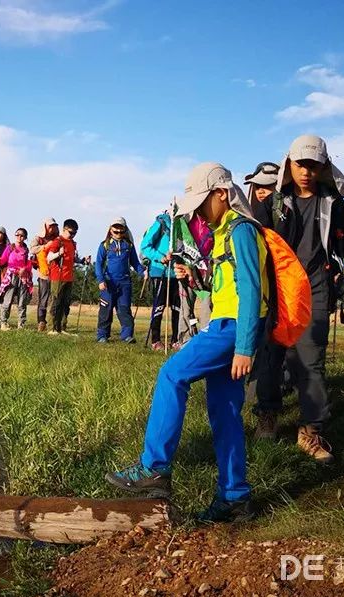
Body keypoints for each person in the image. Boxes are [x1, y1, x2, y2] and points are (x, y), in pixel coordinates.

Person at [105, 163, 268, 523]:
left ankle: (154, 467)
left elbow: (253, 289)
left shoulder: (241, 229)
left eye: (200, 203)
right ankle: (235, 498)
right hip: (229, 321)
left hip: (231, 328)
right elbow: (226, 288)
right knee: (224, 413)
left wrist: (244, 346)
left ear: (221, 195)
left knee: (171, 374)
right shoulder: (225, 231)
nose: (195, 213)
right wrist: (196, 279)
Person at [247, 135, 344, 460]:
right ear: (290, 163)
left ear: (323, 167)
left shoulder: (333, 202)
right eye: (301, 164)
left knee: (312, 362)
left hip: (316, 291)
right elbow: (254, 245)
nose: (306, 171)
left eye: (314, 165)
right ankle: (268, 415)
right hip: (278, 290)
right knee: (272, 356)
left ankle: (310, 432)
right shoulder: (272, 201)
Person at [140, 211, 211, 351]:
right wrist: (160, 257)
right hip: (159, 270)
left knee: (178, 309)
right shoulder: (161, 222)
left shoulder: (185, 224)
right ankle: (155, 340)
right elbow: (145, 246)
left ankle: (176, 340)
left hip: (178, 273)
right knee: (159, 307)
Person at [94, 217, 146, 343]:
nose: (118, 233)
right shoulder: (104, 245)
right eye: (115, 230)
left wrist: (142, 272)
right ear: (110, 229)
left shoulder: (128, 245)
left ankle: (127, 335)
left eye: (121, 230)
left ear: (125, 229)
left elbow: (135, 262)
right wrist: (101, 280)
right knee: (105, 311)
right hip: (108, 283)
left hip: (125, 283)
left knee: (124, 310)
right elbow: (98, 265)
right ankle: (102, 335)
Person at [45, 219, 88, 335]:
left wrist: (83, 261)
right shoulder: (57, 241)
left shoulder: (73, 243)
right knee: (55, 302)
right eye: (71, 232)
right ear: (64, 229)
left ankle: (62, 327)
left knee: (65, 304)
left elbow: (73, 259)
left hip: (69, 277)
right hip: (57, 276)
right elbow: (48, 257)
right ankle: (51, 328)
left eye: (75, 233)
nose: (73, 235)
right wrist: (59, 253)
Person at [0, 228, 34, 330]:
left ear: (25, 238)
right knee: (8, 300)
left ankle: (21, 324)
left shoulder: (26, 250)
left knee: (22, 302)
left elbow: (29, 263)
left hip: (23, 277)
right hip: (11, 276)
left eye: (22, 235)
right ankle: (3, 323)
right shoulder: (10, 248)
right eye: (17, 235)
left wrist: (24, 269)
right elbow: (2, 261)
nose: (19, 237)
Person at [30, 218, 60, 332]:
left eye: (54, 226)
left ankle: (54, 322)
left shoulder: (58, 239)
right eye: (50, 226)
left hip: (56, 273)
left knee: (55, 299)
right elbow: (32, 249)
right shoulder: (38, 239)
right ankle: (41, 322)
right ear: (45, 227)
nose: (52, 228)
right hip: (43, 273)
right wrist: (45, 246)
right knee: (43, 299)